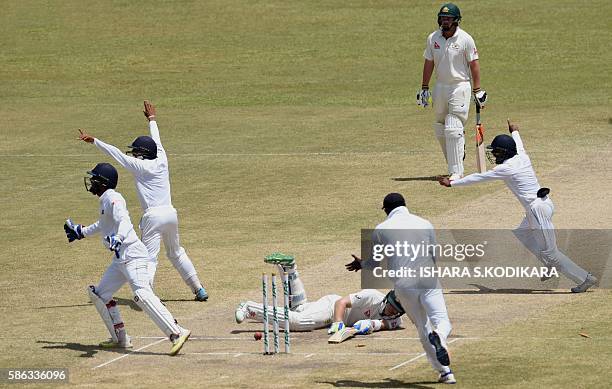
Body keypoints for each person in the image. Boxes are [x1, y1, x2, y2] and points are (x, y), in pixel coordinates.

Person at [438, 120, 598, 293]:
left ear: (504, 152)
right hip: (540, 206)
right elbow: (519, 145)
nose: (494, 155)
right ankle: (549, 264)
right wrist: (515, 132)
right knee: (522, 232)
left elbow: (479, 178)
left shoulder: (506, 168)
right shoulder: (521, 155)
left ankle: (584, 278)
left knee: (551, 252)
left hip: (537, 210)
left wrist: (452, 183)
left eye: (496, 151)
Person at [78, 101, 208, 301]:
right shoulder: (162, 159)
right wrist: (152, 120)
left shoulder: (140, 166)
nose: (134, 155)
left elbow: (117, 154)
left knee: (149, 258)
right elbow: (157, 140)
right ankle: (199, 289)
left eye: (137, 152)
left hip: (153, 217)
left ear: (143, 154)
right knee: (176, 253)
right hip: (171, 214)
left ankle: (147, 296)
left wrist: (95, 141)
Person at [63, 163, 190, 355]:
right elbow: (103, 224)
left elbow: (123, 220)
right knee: (99, 295)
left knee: (142, 294)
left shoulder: (114, 198)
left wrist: (119, 237)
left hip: (133, 255)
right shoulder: (105, 201)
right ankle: (121, 339)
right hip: (120, 259)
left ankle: (177, 332)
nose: (91, 182)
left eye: (94, 179)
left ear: (103, 182)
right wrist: (81, 232)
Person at [346, 193, 456, 384]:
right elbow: (434, 254)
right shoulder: (425, 223)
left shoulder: (381, 229)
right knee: (442, 322)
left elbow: (375, 262)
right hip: (429, 279)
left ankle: (445, 372)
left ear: (386, 210)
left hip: (404, 286)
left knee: (423, 327)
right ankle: (440, 338)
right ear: (405, 205)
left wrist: (362, 264)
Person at [234, 254, 403, 334]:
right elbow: (341, 303)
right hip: (332, 307)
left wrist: (371, 325)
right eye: (391, 308)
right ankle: (250, 308)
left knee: (299, 309)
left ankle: (290, 269)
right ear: (386, 299)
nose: (392, 312)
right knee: (299, 322)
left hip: (334, 313)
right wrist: (338, 323)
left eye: (395, 311)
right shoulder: (372, 296)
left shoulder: (396, 317)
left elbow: (385, 324)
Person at [418, 3, 488, 180]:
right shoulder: (433, 38)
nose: (445, 21)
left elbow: (474, 65)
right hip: (440, 86)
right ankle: (455, 159)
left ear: (456, 21)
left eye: (448, 19)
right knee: (440, 127)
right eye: (442, 18)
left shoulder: (465, 39)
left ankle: (456, 172)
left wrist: (477, 90)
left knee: (453, 124)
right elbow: (429, 62)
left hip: (460, 85)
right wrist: (424, 87)